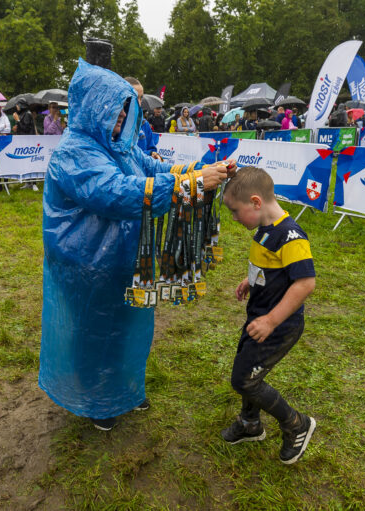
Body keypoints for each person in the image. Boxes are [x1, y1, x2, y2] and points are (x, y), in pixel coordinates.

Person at [40, 58, 232, 431]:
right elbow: (116, 193)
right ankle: (98, 402)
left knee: (128, 329)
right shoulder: (74, 153)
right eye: (115, 112)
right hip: (86, 266)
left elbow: (154, 169)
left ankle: (124, 388)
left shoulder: (119, 147)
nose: (119, 121)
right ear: (93, 106)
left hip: (123, 261)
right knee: (93, 334)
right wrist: (190, 187)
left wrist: (203, 171)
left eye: (124, 114)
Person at [220, 166, 317, 465]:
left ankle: (297, 425)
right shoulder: (264, 228)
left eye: (236, 211)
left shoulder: (290, 236)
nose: (234, 218)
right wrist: (251, 280)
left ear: (256, 202)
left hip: (279, 325)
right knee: (246, 367)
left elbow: (305, 283)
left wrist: (272, 320)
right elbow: (272, 268)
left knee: (244, 380)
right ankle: (250, 423)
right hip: (259, 317)